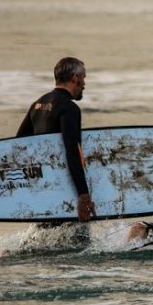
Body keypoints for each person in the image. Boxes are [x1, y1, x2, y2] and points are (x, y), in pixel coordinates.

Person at [17, 56, 96, 222]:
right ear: (75, 78)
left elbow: (19, 144)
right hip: (65, 189)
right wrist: (83, 195)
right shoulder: (69, 108)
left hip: (44, 190)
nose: (84, 84)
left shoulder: (38, 104)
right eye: (83, 78)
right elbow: (73, 152)